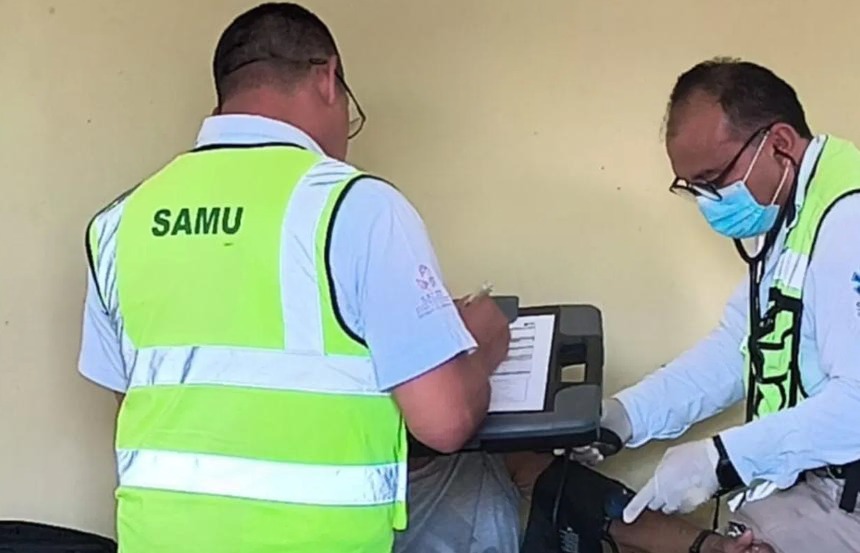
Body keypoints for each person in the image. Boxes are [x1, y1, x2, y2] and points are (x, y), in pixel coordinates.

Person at [76, 3, 511, 552]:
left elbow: (150, 403)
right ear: (327, 78)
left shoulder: (117, 224)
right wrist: (482, 349)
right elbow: (444, 422)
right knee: (484, 493)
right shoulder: (356, 205)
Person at [564, 57, 860, 553]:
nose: (707, 201)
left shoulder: (849, 222)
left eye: (714, 179)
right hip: (817, 486)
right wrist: (624, 417)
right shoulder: (794, 217)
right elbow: (738, 350)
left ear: (780, 145)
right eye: (692, 187)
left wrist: (721, 459)